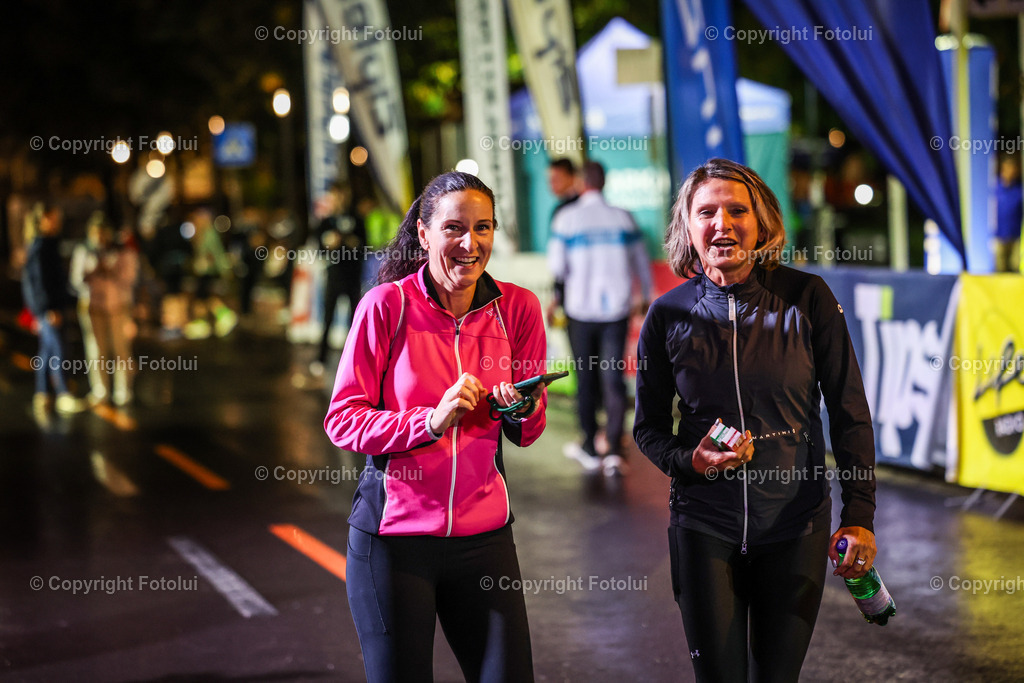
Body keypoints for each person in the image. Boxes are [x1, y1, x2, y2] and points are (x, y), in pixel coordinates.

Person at [633, 158, 878, 682]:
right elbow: (648, 428)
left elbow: (850, 414)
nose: (722, 223)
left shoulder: (807, 298)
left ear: (761, 221)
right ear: (687, 227)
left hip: (795, 527)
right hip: (704, 527)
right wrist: (689, 460)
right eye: (707, 212)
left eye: (736, 210)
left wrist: (860, 515)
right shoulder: (668, 314)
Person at [324, 171, 548, 682]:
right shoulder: (387, 306)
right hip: (395, 540)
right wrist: (430, 420)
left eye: (483, 227)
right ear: (424, 234)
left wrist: (519, 409)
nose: (470, 243)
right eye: (454, 228)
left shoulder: (518, 308)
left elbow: (529, 431)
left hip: (485, 538)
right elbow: (342, 419)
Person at [547, 160, 652, 476]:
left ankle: (590, 446)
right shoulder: (623, 218)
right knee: (612, 377)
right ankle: (615, 452)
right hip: (616, 311)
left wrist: (556, 301)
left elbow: (558, 269)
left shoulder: (567, 218)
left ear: (582, 182)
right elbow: (641, 262)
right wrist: (645, 295)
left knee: (586, 376)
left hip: (580, 311)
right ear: (604, 182)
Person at [21, 206, 87, 417]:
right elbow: (37, 282)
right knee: (58, 350)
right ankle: (62, 393)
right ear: (42, 220)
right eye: (51, 218)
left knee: (47, 351)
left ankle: (42, 394)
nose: (56, 222)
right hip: (50, 309)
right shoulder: (41, 246)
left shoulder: (46, 244)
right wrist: (46, 309)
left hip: (50, 307)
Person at [70, 214, 139, 406]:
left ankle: (123, 390)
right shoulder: (84, 251)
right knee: (95, 350)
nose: (100, 238)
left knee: (121, 348)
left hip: (118, 305)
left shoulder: (122, 252)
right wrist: (92, 273)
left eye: (103, 233)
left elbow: (130, 279)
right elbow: (75, 280)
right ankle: (101, 390)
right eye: (96, 234)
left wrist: (112, 272)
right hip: (93, 306)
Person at [310, 184, 366, 378]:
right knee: (327, 319)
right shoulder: (326, 222)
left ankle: (356, 362)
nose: (337, 199)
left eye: (341, 195)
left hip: (352, 276)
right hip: (334, 276)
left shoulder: (356, 219)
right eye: (334, 196)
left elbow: (363, 246)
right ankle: (321, 360)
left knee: (355, 321)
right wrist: (330, 244)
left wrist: (348, 241)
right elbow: (319, 248)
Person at [994, 153, 1022, 273]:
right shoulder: (995, 188)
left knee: (1014, 270)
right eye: (1008, 167)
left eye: (1013, 168)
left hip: (1015, 237)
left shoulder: (1019, 190)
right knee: (1000, 271)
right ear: (1003, 168)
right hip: (999, 236)